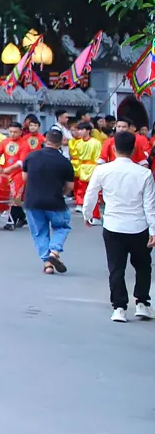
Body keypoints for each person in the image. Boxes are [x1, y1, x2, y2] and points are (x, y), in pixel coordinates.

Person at [83, 130, 155, 322]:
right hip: (139, 227)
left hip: (113, 226)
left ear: (114, 149)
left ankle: (119, 308)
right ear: (134, 150)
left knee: (116, 268)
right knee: (143, 266)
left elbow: (91, 194)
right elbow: (150, 205)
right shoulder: (145, 174)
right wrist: (153, 229)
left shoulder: (102, 170)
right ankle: (142, 303)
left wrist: (88, 214)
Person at [22, 127, 75, 275]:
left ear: (45, 140)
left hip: (33, 201)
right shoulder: (64, 162)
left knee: (40, 232)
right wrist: (61, 193)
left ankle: (47, 264)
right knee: (62, 227)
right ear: (60, 143)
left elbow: (25, 178)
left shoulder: (31, 157)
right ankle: (54, 251)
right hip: (55, 202)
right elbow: (69, 186)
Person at [69, 120, 100, 216]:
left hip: (92, 166)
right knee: (81, 187)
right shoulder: (78, 143)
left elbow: (98, 156)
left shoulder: (96, 142)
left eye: (82, 130)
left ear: (88, 131)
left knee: (92, 188)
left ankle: (92, 207)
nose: (79, 132)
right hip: (82, 166)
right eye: (79, 130)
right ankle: (80, 203)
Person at [0, 122, 27, 229]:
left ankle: (11, 222)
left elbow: (21, 162)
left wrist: (8, 169)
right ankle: (22, 217)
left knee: (16, 196)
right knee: (11, 197)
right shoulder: (4, 142)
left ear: (20, 132)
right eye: (10, 132)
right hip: (6, 173)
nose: (12, 134)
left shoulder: (24, 144)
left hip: (18, 173)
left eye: (15, 132)